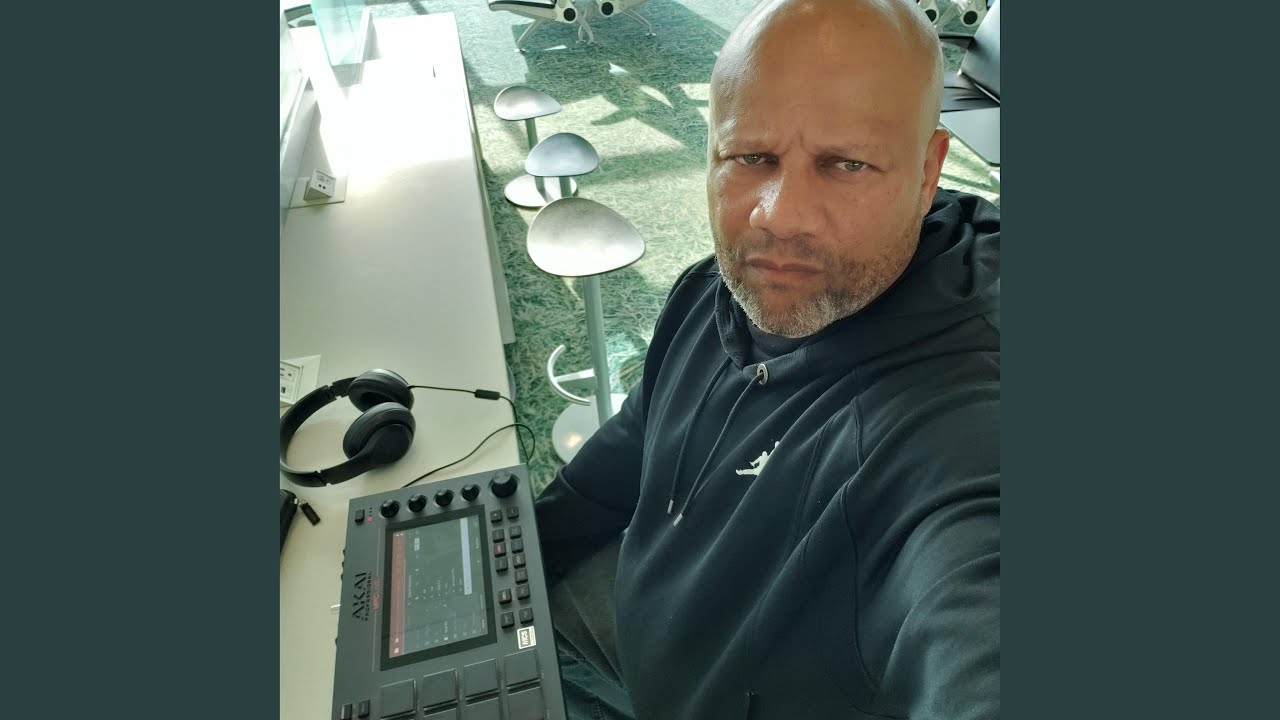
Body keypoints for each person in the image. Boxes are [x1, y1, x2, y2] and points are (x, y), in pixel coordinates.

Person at [534, 0, 1000, 717]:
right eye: (751, 157)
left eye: (846, 164)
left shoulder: (958, 420)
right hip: (641, 626)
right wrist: (507, 555)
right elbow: (636, 440)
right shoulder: (711, 291)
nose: (780, 216)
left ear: (928, 171)